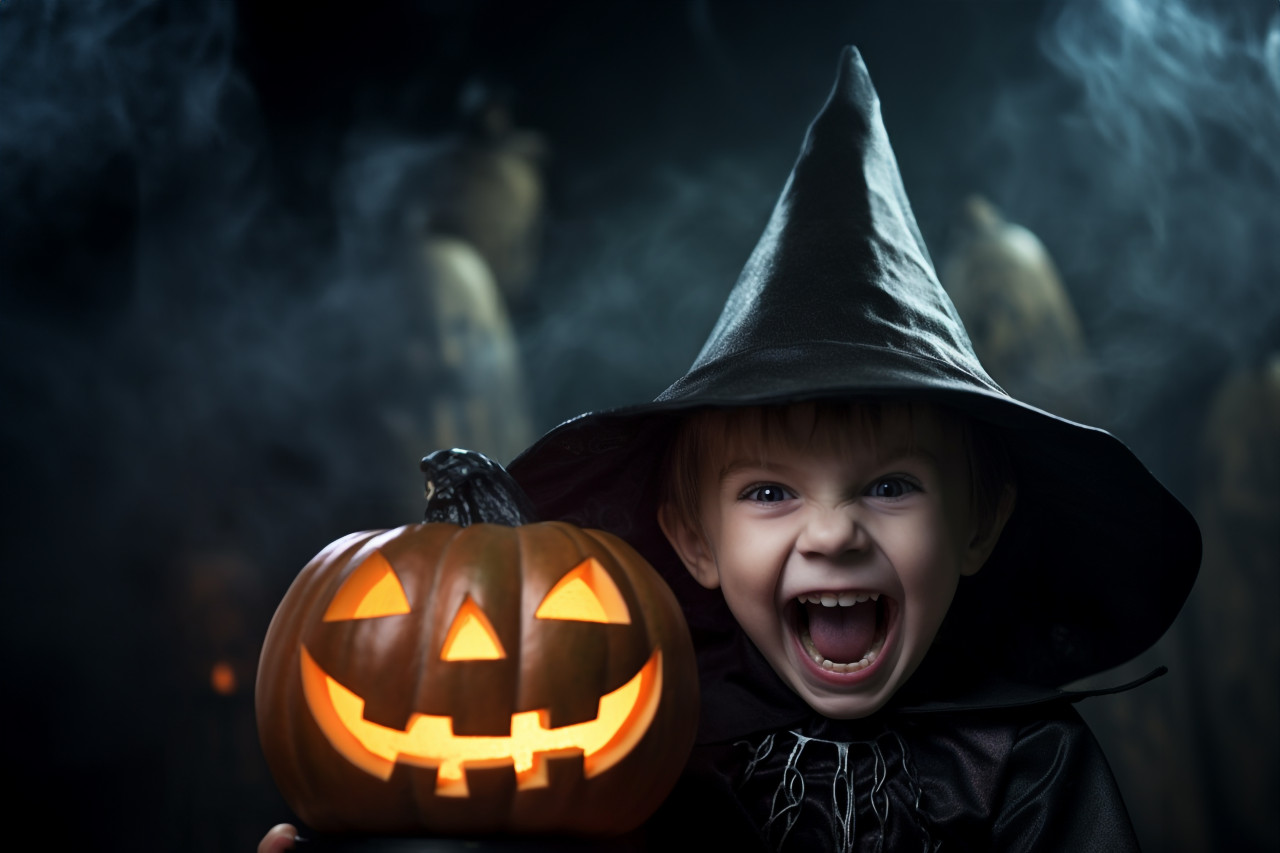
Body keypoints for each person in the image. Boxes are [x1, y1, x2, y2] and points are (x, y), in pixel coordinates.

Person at [260, 46, 1199, 851]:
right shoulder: (649, 750)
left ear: (979, 523)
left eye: (887, 485)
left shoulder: (1024, 761)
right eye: (768, 494)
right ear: (693, 537)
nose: (833, 534)